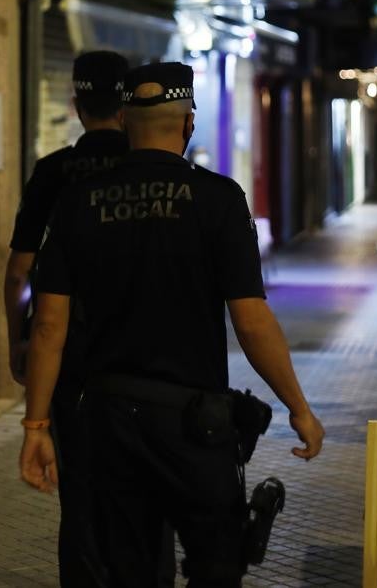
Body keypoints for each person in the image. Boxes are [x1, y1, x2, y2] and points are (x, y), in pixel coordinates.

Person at [18, 62, 324, 587]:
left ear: (123, 120)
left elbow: (48, 326)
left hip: (108, 423)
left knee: (127, 570)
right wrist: (298, 406)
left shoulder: (76, 203)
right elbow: (250, 322)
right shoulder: (219, 198)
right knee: (218, 564)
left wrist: (36, 426)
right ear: (187, 124)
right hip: (193, 426)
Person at [3, 50, 130, 586]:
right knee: (140, 497)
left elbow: (18, 272)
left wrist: (19, 342)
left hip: (68, 361)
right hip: (137, 357)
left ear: (76, 106)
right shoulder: (147, 168)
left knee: (78, 494)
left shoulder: (53, 173)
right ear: (125, 107)